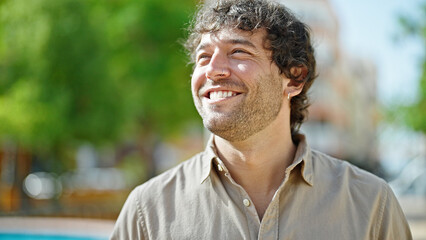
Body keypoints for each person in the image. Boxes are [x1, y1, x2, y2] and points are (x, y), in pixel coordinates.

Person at [110, 0, 412, 239]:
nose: (213, 70)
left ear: (293, 78)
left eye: (238, 51)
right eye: (203, 57)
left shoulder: (372, 205)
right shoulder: (147, 212)